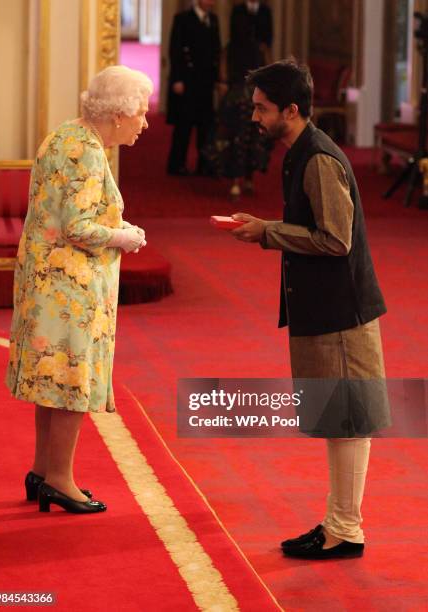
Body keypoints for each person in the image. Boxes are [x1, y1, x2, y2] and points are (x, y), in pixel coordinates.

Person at [231, 60, 391, 559]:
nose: (255, 117)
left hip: (342, 315)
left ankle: (345, 529)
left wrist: (266, 231)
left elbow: (336, 240)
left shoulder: (318, 158)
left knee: (347, 421)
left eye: (262, 108)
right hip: (326, 310)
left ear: (292, 110)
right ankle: (337, 523)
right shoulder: (298, 152)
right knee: (337, 419)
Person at [6, 65, 152, 514]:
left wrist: (115, 227)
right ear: (119, 113)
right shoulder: (87, 152)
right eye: (141, 114)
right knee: (70, 382)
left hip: (46, 281)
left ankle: (42, 471)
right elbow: (78, 226)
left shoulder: (67, 134)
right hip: (70, 292)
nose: (144, 124)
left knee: (52, 380)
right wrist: (124, 236)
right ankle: (60, 479)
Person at [203, 0, 273, 199]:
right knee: (253, 138)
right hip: (254, 100)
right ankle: (249, 180)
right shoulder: (261, 49)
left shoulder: (228, 49)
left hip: (234, 100)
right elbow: (268, 74)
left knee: (235, 140)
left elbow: (223, 77)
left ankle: (235, 183)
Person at [166, 0, 221, 176]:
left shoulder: (213, 19)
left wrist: (218, 79)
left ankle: (204, 164)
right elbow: (175, 50)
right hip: (187, 79)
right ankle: (176, 164)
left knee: (206, 125)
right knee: (184, 124)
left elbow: (216, 50)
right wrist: (177, 79)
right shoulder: (182, 19)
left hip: (205, 81)